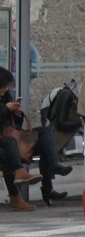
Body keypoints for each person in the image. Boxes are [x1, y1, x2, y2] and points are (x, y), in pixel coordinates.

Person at [0, 66, 71, 208]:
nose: (7, 89)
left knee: (45, 134)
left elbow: (16, 125)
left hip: (14, 139)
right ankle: (16, 194)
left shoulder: (5, 97)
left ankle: (53, 167)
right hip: (5, 143)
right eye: (5, 86)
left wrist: (16, 114)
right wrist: (5, 109)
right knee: (7, 150)